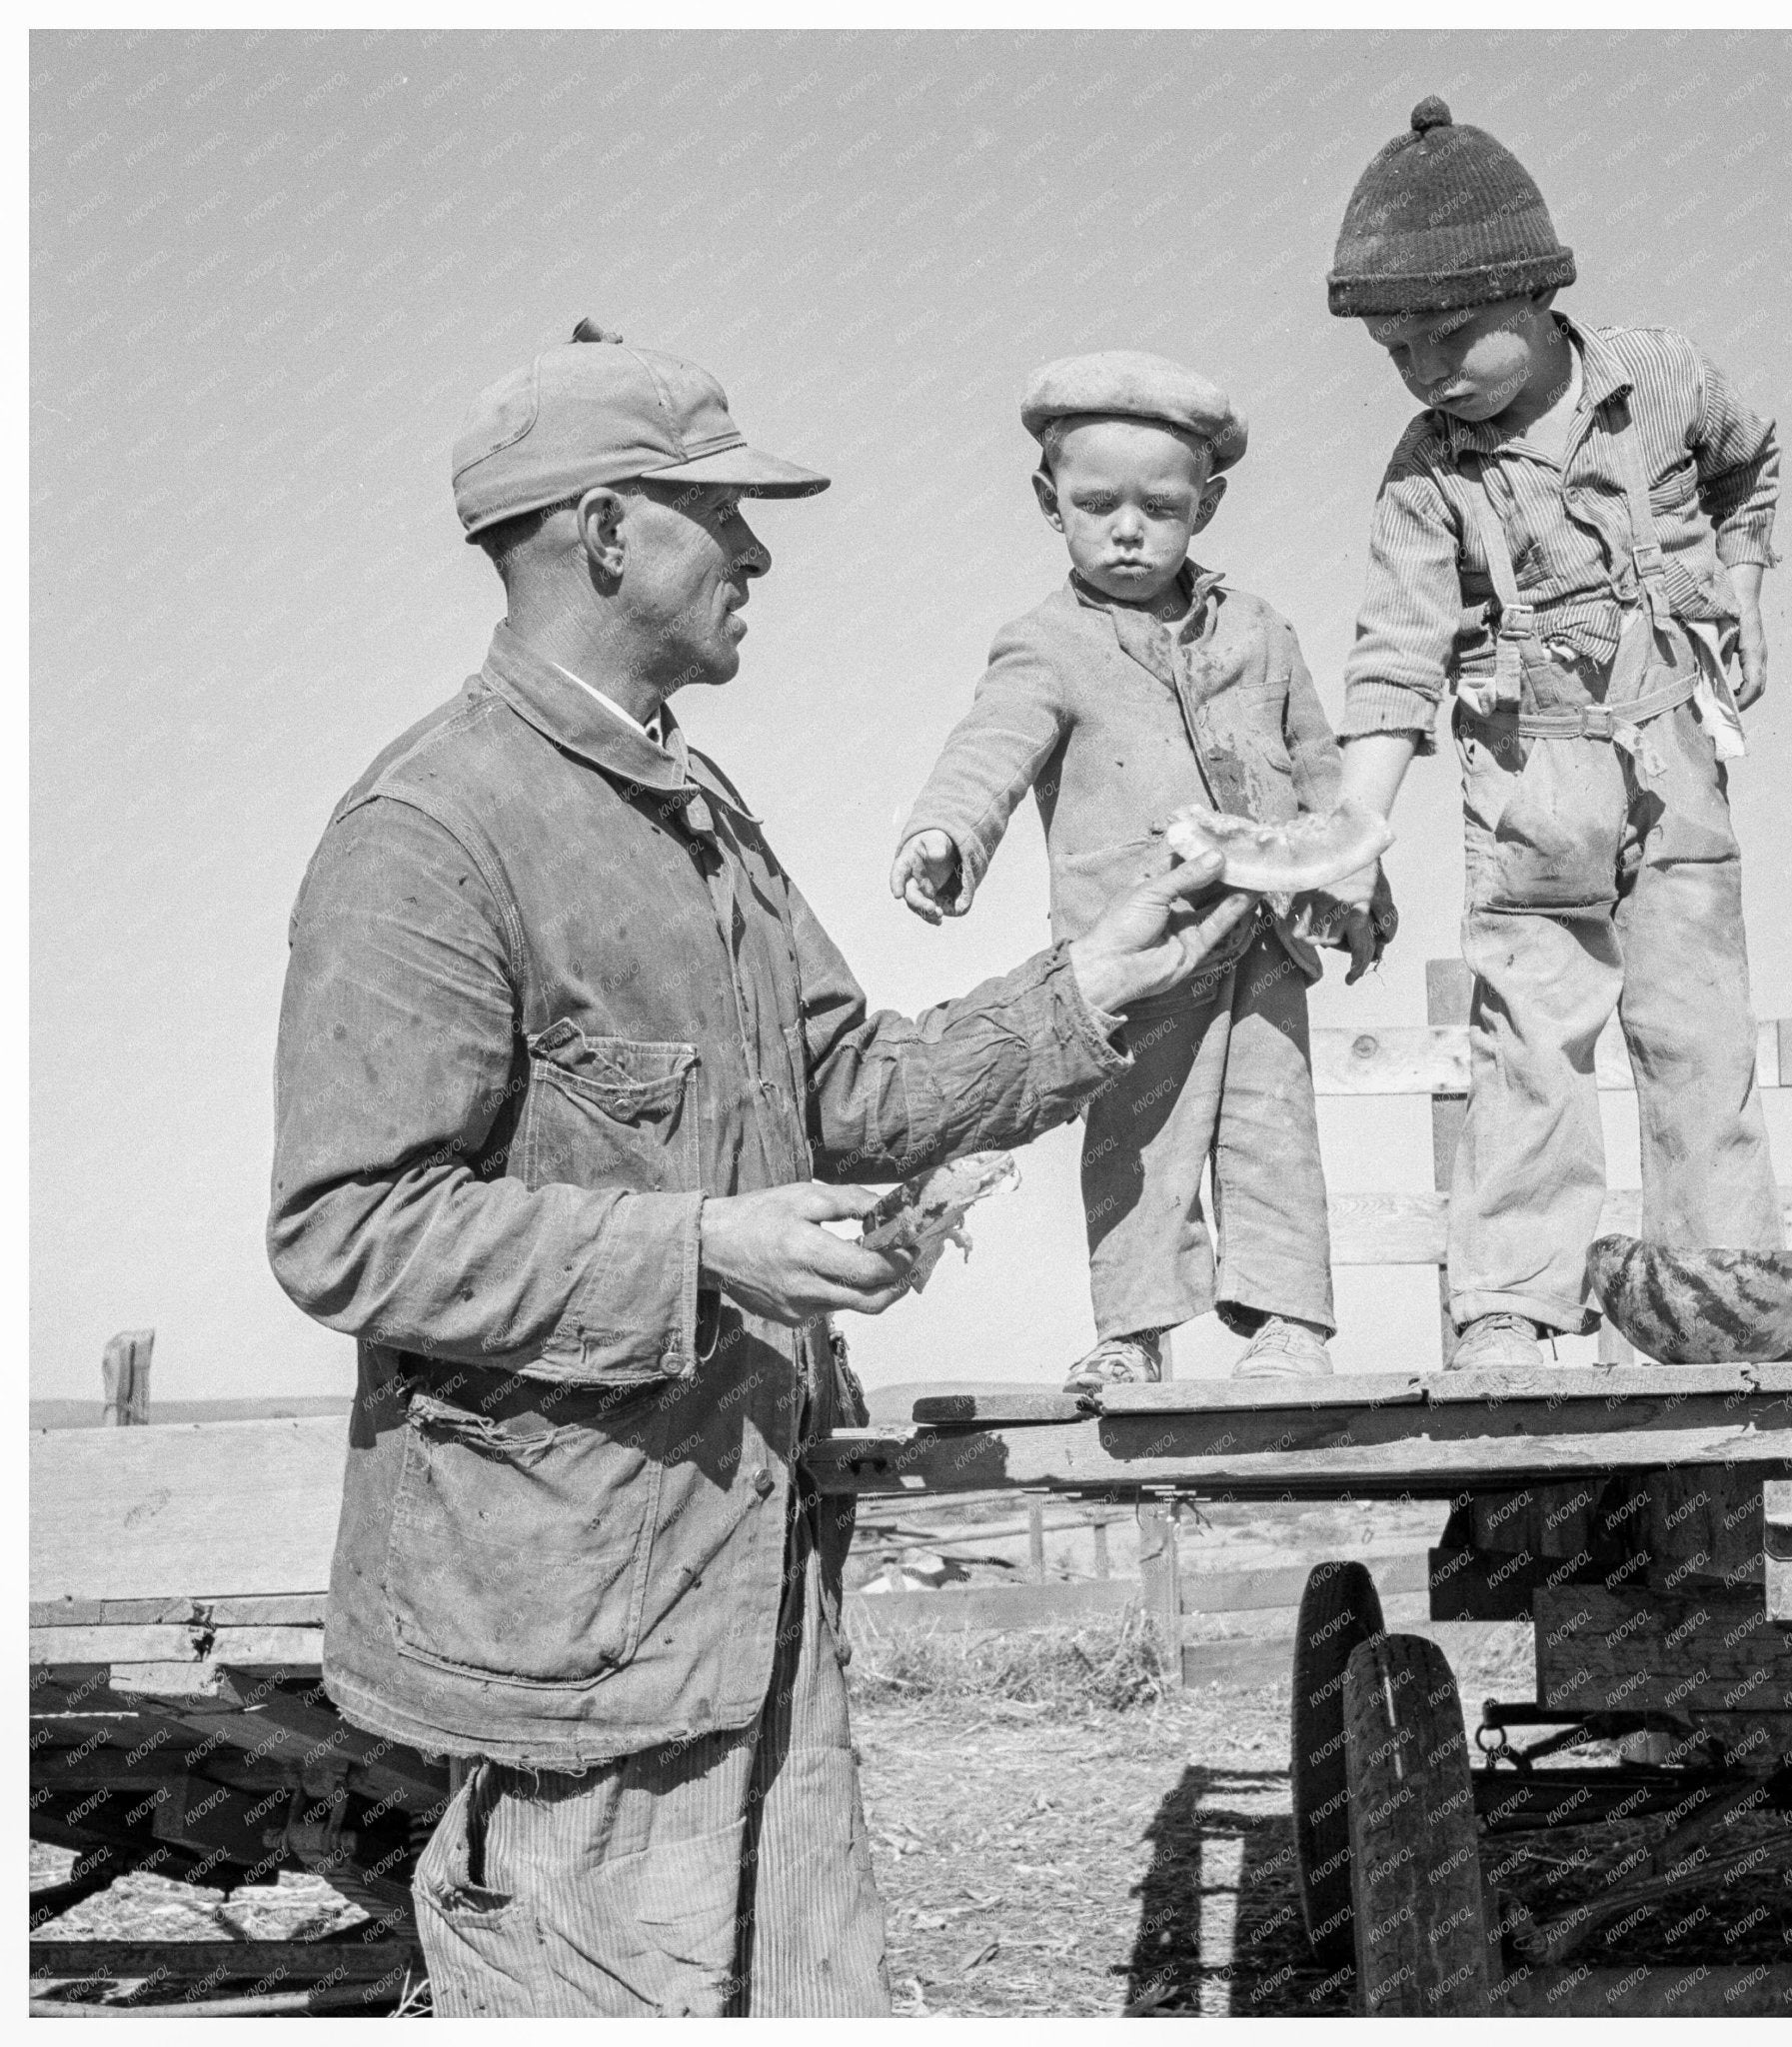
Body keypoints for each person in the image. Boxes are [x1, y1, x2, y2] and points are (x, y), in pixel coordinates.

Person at [265, 322, 1251, 2017]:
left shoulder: (697, 809)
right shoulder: (429, 828)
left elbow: (846, 1087)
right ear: (602, 535)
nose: (760, 550)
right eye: (721, 512)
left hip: (753, 1590)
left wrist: (1089, 979)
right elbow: (347, 1229)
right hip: (572, 1646)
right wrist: (708, 1245)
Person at [1321, 99, 1786, 1370]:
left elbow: (1749, 464)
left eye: (1445, 336)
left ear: (1532, 293)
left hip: (1676, 762)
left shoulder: (1664, 379)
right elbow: (1392, 658)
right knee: (1530, 1033)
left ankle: (1721, 1295)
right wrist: (1356, 829)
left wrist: (1741, 580)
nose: (1421, 370)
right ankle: (1512, 1305)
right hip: (1530, 782)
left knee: (1699, 1030)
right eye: (1393, 348)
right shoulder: (1426, 475)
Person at [890, 351, 1391, 1392]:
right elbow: (988, 749)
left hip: (1269, 932)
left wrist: (1350, 882)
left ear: (1204, 504)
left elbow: (1321, 769)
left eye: (1158, 508)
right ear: (1048, 501)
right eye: (1095, 503)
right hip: (1136, 943)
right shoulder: (1044, 642)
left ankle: (1288, 1324)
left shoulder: (1260, 629)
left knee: (1270, 1124)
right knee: (1139, 1132)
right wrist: (946, 832)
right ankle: (1135, 1326)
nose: (1128, 529)